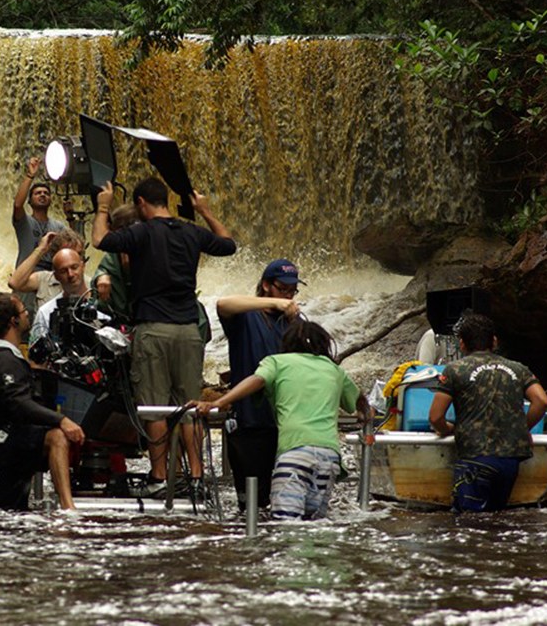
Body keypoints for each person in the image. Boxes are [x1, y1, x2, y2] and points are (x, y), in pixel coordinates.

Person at [92, 177, 237, 497]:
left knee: (155, 407)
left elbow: (99, 239)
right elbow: (228, 244)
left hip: (153, 329)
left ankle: (159, 479)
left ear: (141, 203)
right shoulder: (190, 230)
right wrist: (206, 211)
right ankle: (197, 479)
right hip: (188, 331)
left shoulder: (140, 233)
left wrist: (104, 205)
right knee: (190, 406)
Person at [191, 321, 370, 520]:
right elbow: (359, 398)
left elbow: (256, 380)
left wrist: (218, 402)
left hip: (295, 453)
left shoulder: (277, 362)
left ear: (287, 343)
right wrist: (365, 414)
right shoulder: (334, 369)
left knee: (287, 525)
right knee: (316, 524)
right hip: (329, 457)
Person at [429, 312, 547, 512]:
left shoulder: (455, 370)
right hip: (511, 460)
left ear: (462, 344)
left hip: (475, 457)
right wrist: (521, 428)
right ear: (494, 341)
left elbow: (435, 417)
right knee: (496, 520)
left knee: (469, 523)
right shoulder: (518, 369)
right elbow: (542, 400)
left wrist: (449, 429)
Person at [0, 293, 85, 510]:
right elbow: (18, 403)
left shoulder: (6, 357)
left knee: (12, 503)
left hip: (8, 436)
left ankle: (8, 523)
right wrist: (61, 420)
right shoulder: (3, 360)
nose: (28, 314)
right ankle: (68, 508)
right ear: (13, 321)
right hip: (6, 439)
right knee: (56, 437)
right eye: (23, 311)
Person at [215, 259, 303, 511]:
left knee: (284, 502)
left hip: (285, 423)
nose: (288, 295)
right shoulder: (246, 318)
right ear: (266, 285)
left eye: (292, 290)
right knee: (252, 504)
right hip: (249, 420)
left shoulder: (292, 323)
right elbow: (223, 304)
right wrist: (274, 302)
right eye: (282, 288)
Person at [29, 247, 108, 345]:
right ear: (56, 276)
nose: (70, 274)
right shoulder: (46, 312)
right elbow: (35, 354)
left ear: (83, 266)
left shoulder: (104, 306)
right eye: (63, 271)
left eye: (74, 267)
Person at [8, 229, 86, 314]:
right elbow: (14, 283)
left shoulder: (91, 284)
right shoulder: (44, 279)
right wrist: (40, 250)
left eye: (79, 254)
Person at [12, 156, 66, 272]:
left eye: (46, 193)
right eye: (38, 193)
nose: (42, 195)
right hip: (25, 278)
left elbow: (72, 245)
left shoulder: (58, 226)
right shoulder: (24, 222)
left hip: (49, 280)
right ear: (30, 201)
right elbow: (17, 205)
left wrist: (71, 217)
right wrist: (30, 175)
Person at [91, 204, 140, 322]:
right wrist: (100, 276)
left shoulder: (152, 253)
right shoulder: (113, 256)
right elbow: (103, 270)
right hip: (120, 321)